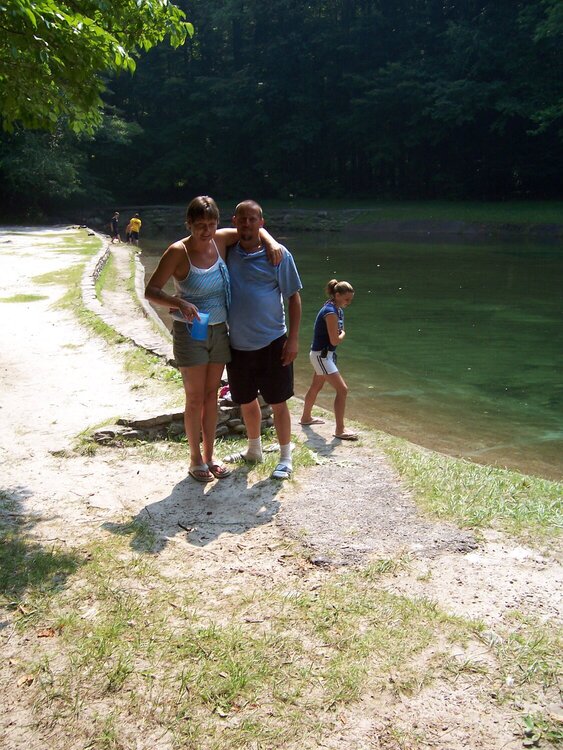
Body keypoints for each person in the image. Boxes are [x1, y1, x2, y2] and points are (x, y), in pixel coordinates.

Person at [144, 196, 282, 483]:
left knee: (211, 396)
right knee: (195, 398)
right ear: (189, 224)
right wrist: (178, 302)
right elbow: (151, 291)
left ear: (217, 224)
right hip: (191, 331)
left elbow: (254, 229)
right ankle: (195, 459)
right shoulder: (178, 251)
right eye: (199, 226)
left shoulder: (220, 241)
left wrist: (270, 242)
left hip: (219, 330)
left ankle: (210, 456)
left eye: (210, 224)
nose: (205, 231)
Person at [226, 200, 302, 480]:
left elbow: (293, 297)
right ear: (234, 221)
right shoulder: (227, 252)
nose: (247, 224)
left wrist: (292, 339)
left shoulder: (279, 256)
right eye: (242, 219)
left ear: (261, 222)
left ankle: (285, 456)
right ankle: (254, 449)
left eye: (252, 219)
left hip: (273, 342)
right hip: (237, 344)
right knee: (246, 401)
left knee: (279, 402)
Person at [299, 279, 358, 440]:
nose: (349, 302)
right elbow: (335, 340)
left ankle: (306, 418)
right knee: (342, 390)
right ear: (337, 295)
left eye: (350, 299)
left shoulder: (337, 310)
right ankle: (340, 430)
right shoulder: (330, 312)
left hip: (325, 356)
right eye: (346, 299)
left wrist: (340, 333)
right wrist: (344, 333)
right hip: (322, 356)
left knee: (316, 386)